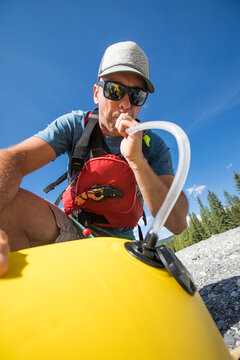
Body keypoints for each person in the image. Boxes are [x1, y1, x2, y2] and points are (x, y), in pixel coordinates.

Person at [0, 41, 188, 277]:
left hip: (122, 247)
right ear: (97, 94)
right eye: (114, 90)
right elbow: (14, 158)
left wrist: (137, 160)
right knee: (11, 205)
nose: (125, 104)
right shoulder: (74, 125)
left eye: (136, 95)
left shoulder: (153, 146)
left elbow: (178, 223)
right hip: (75, 232)